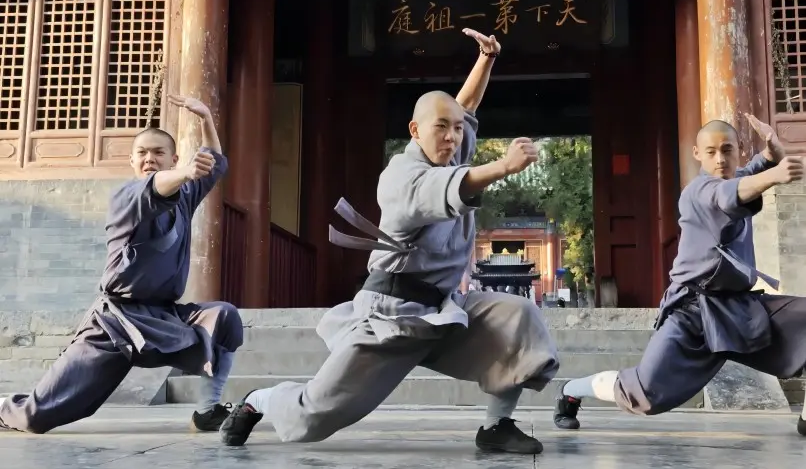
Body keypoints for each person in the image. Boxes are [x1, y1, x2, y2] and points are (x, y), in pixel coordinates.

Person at [219, 29, 560, 454]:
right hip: (391, 316)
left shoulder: (452, 150)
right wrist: (504, 167)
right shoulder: (401, 175)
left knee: (518, 316)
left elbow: (465, 108)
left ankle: (496, 427)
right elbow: (449, 187)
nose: (452, 137)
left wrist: (486, 59)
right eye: (441, 128)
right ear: (415, 130)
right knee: (314, 417)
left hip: (444, 309)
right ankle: (259, 401)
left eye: (456, 130)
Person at [0, 95, 243, 434]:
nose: (149, 159)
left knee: (225, 317)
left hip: (165, 316)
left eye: (158, 153)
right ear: (131, 160)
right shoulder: (126, 197)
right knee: (36, 418)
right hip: (114, 324)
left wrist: (205, 118)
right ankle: (4, 409)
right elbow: (158, 186)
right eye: (142, 153)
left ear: (172, 157)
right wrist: (185, 170)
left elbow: (213, 163)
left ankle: (207, 410)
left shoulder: (184, 196)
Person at [553, 115, 806, 437]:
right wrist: (773, 175)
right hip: (693, 311)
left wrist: (771, 152)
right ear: (697, 154)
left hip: (741, 306)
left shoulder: (736, 175)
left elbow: (750, 172)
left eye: (728, 150)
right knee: (645, 395)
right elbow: (731, 194)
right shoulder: (697, 191)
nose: (720, 159)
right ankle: (572, 390)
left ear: (738, 150)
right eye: (711, 151)